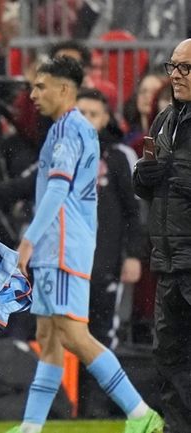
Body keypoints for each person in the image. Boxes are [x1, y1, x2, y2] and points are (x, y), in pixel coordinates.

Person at [7, 56, 162, 433]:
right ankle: (30, 428)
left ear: (63, 88)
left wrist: (28, 240)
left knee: (75, 335)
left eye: (41, 86)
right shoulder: (68, 129)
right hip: (56, 247)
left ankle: (141, 413)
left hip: (61, 246)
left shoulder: (68, 131)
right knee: (48, 337)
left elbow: (59, 188)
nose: (33, 93)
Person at [133, 38, 191, 433]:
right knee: (169, 361)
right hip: (168, 261)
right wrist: (143, 177)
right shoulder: (164, 121)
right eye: (172, 67)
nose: (175, 76)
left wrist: (171, 178)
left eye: (185, 68)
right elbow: (149, 182)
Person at [75, 87, 143, 350]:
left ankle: (101, 392)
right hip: (67, 263)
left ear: (105, 119)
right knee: (64, 333)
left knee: (102, 335)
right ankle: (68, 392)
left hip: (104, 263)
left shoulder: (119, 156)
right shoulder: (58, 151)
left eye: (93, 114)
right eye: (80, 113)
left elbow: (133, 209)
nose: (86, 118)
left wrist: (134, 254)